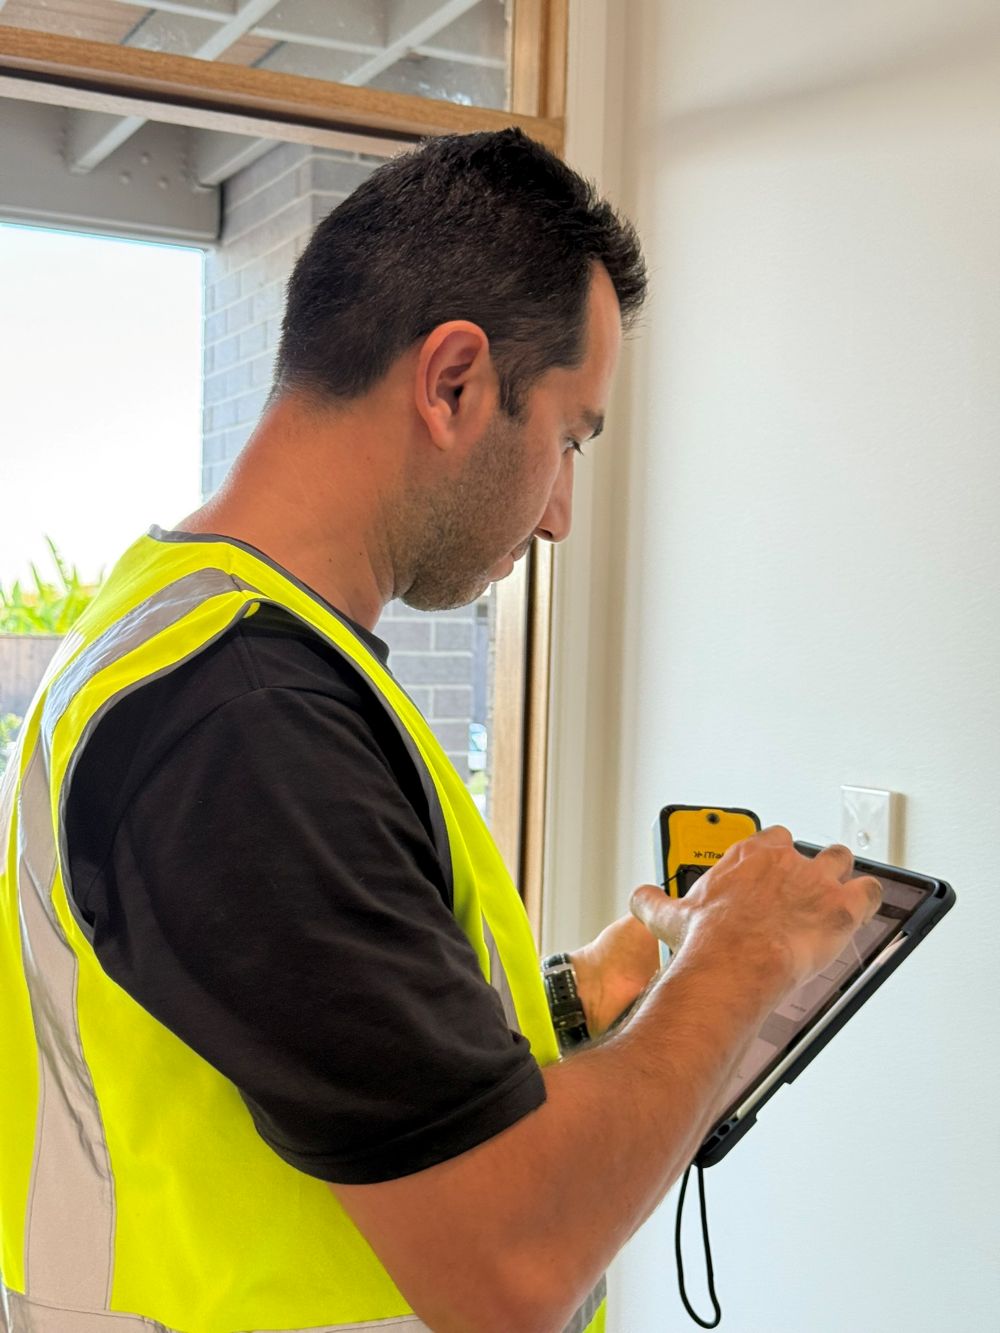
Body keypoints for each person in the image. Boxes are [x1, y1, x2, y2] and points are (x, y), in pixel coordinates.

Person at [0, 129, 881, 1333]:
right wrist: (739, 956)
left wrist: (583, 993)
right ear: (454, 381)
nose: (560, 512)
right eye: (568, 439)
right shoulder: (243, 717)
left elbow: (313, 1055)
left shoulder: (209, 647)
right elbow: (508, 1265)